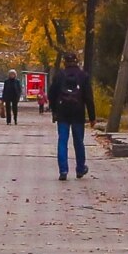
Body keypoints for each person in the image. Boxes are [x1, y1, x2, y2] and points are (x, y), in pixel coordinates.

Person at [47, 52, 95, 181]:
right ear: (77, 61)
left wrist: (54, 110)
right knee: (78, 141)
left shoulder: (59, 75)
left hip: (62, 112)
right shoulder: (83, 76)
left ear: (64, 62)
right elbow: (89, 97)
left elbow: (51, 94)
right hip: (78, 112)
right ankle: (80, 169)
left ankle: (63, 170)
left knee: (62, 141)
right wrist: (92, 117)